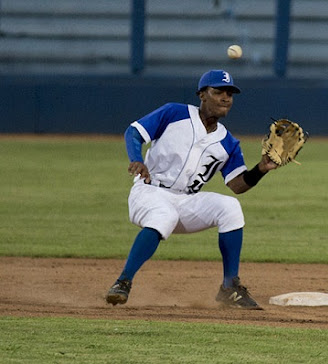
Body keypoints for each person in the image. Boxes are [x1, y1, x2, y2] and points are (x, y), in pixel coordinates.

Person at [106, 69, 278, 310]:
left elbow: (237, 185)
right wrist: (137, 158)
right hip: (149, 192)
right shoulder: (174, 113)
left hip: (187, 201)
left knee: (230, 207)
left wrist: (262, 168)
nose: (225, 98)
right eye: (218, 92)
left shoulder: (228, 142)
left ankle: (230, 287)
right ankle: (123, 282)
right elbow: (133, 132)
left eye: (229, 94)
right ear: (202, 94)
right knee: (165, 215)